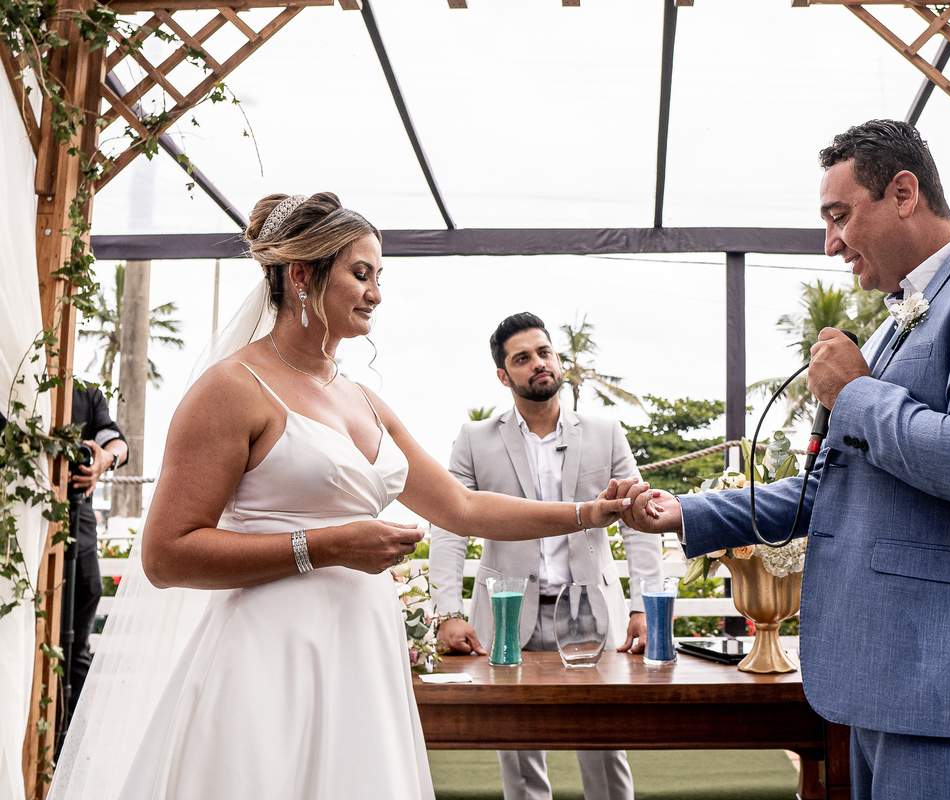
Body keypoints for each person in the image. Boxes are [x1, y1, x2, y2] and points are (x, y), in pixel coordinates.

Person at [51, 193, 634, 800]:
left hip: (363, 660)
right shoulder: (230, 389)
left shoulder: (364, 400)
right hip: (269, 662)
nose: (377, 293)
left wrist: (592, 512)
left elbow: (461, 508)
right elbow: (166, 556)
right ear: (302, 275)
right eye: (361, 274)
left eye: (379, 276)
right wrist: (328, 546)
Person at [612, 120, 950, 800]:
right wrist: (684, 513)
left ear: (904, 193)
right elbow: (831, 489)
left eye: (839, 216)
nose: (831, 243)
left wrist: (854, 392)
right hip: (891, 679)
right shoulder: (893, 318)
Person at [429, 312, 662, 800]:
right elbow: (449, 527)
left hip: (591, 613)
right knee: (517, 749)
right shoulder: (474, 439)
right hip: (508, 613)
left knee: (605, 748)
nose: (538, 363)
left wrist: (644, 606)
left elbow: (643, 523)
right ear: (503, 375)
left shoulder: (606, 432)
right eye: (522, 358)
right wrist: (446, 613)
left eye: (544, 352)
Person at [58, 382, 128, 743]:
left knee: (86, 598)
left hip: (78, 517)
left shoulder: (86, 393)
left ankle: (72, 742)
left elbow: (117, 443)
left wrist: (104, 459)